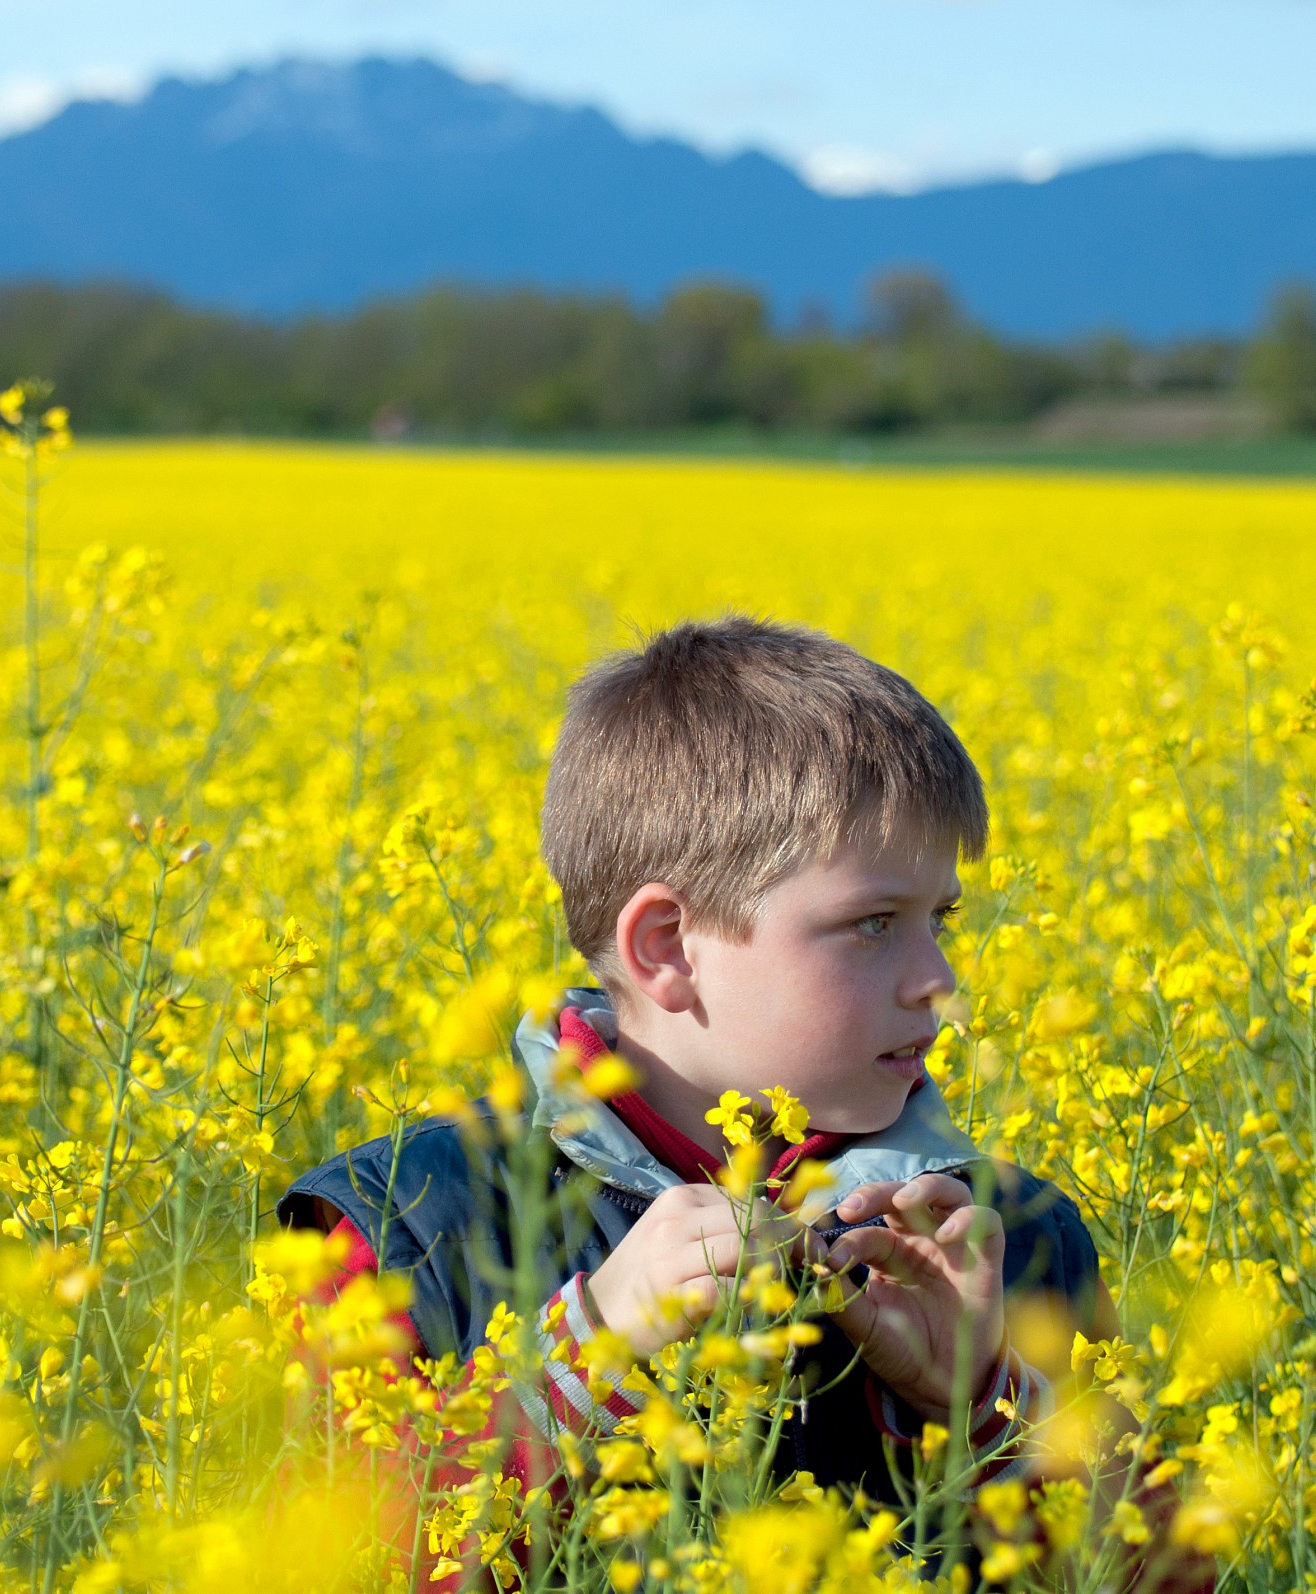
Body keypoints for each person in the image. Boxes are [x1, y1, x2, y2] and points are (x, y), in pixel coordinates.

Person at [278, 616, 1209, 1589]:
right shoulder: (397, 1229)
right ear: (668, 946)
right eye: (875, 923)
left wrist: (991, 1402)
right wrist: (580, 1361)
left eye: (943, 920)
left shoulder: (1009, 1235)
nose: (938, 977)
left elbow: (1174, 1574)